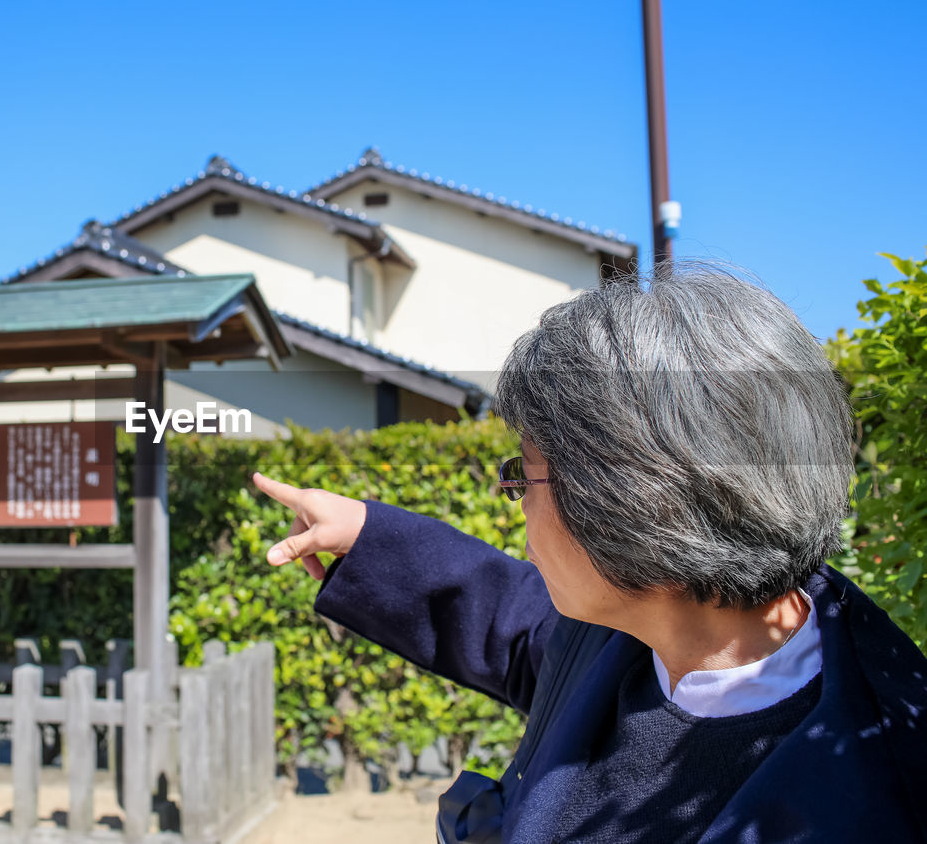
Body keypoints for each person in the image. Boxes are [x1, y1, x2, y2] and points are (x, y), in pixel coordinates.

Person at [251, 263, 927, 843]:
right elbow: (510, 618)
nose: (513, 498)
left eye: (523, 472)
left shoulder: (880, 791)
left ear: (634, 501)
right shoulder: (632, 634)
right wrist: (367, 533)